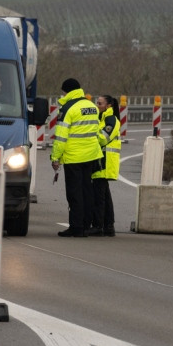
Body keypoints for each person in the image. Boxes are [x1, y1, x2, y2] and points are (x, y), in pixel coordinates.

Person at [50, 77, 103, 237]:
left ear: (66, 91)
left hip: (74, 157)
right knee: (87, 191)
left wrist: (55, 157)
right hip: (91, 155)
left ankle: (76, 227)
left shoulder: (68, 108)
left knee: (74, 193)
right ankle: (86, 225)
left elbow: (60, 137)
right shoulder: (91, 106)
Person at [88, 93, 121, 236]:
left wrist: (89, 135)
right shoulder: (102, 118)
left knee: (98, 197)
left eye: (100, 103)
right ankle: (108, 226)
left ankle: (98, 226)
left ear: (109, 106)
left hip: (104, 162)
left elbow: (103, 139)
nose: (97, 105)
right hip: (101, 161)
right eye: (97, 102)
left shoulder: (111, 119)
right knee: (105, 196)